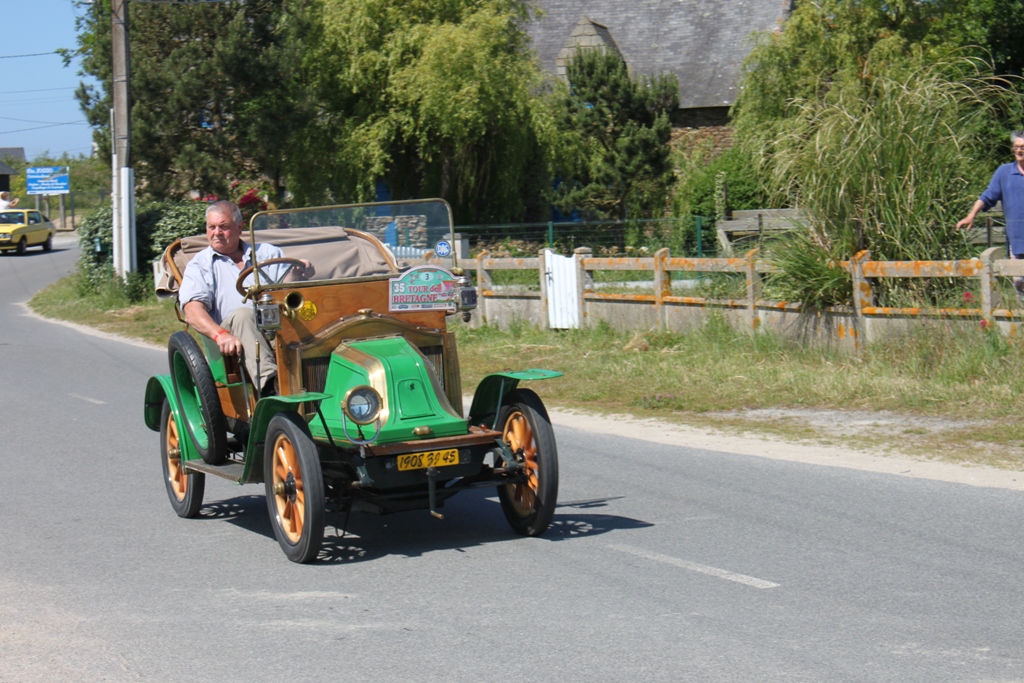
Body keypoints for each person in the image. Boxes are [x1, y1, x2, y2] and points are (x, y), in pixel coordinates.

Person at [178, 200, 313, 392]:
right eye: (211, 227)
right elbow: (192, 312)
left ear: (240, 227)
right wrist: (220, 335)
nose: (216, 233)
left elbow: (285, 292)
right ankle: (270, 387)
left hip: (275, 327)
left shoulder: (268, 253)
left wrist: (298, 272)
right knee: (244, 315)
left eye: (223, 227)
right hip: (231, 340)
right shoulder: (200, 265)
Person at [958, 130, 1024, 296]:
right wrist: (971, 214)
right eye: (1016, 147)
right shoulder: (1004, 172)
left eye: (1022, 147)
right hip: (1017, 241)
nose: (1019, 150)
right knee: (1020, 285)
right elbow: (988, 196)